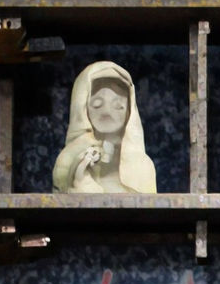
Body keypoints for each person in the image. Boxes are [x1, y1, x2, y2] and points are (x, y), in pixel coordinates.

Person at [53, 61, 157, 194]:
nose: (107, 112)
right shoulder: (69, 159)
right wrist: (79, 185)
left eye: (118, 105)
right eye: (97, 105)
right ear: (83, 107)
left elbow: (148, 204)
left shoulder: (142, 166)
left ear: (129, 111)